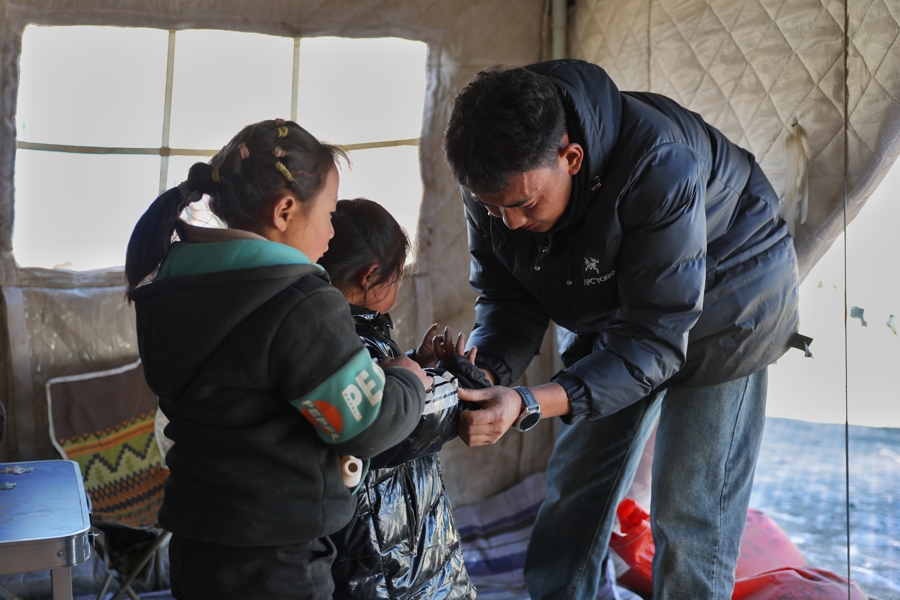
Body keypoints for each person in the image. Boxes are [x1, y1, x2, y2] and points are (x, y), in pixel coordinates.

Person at [442, 60, 805, 600]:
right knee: (575, 484)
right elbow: (508, 298)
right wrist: (483, 373)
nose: (511, 223)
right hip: (618, 300)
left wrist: (529, 402)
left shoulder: (658, 163)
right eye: (494, 210)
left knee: (690, 514)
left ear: (571, 158)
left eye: (523, 205)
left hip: (731, 298)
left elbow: (653, 339)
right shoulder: (497, 179)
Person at [124, 119, 429, 600]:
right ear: (285, 210)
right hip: (275, 559)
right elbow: (364, 426)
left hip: (193, 541)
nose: (331, 231)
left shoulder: (170, 284)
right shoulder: (300, 300)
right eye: (329, 212)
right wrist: (408, 382)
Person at [318, 198, 484, 600]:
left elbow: (381, 386)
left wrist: (414, 364)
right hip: (386, 560)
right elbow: (391, 421)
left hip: (400, 539)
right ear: (370, 276)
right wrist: (457, 385)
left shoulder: (336, 330)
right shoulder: (343, 341)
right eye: (395, 279)